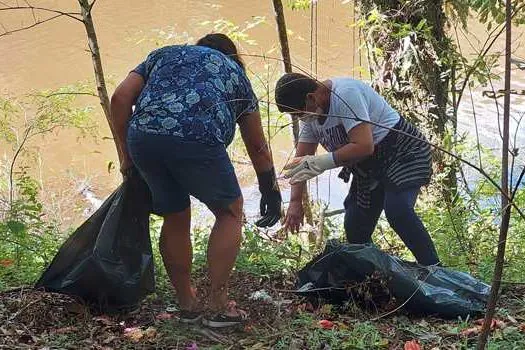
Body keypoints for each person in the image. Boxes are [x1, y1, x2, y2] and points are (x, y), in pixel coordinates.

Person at [109, 33, 282, 328]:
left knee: (175, 214)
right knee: (229, 212)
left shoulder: (163, 54)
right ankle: (217, 305)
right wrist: (270, 189)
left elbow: (120, 98)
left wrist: (126, 155)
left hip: (143, 137)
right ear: (231, 55)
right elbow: (257, 146)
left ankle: (187, 304)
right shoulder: (234, 74)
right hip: (197, 137)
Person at [275, 72, 440, 266]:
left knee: (398, 211)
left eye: (298, 113)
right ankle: (376, 277)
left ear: (310, 97)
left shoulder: (346, 94)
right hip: (368, 165)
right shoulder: (311, 118)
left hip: (402, 152)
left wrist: (322, 162)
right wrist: (295, 201)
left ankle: (434, 270)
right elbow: (301, 162)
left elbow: (363, 145)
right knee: (355, 226)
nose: (299, 118)